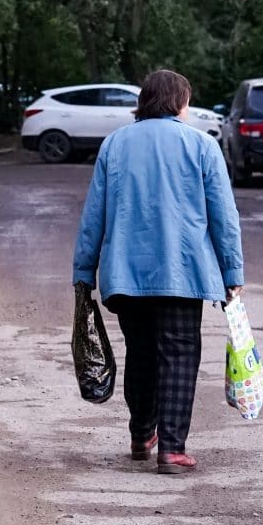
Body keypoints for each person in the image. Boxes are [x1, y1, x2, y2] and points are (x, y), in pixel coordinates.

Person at [71, 69, 244, 475]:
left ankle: (140, 433)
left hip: (124, 276)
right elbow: (223, 216)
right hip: (182, 274)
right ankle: (172, 448)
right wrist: (232, 270)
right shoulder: (201, 145)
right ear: (180, 103)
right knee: (179, 356)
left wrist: (84, 269)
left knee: (142, 353)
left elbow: (94, 213)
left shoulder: (114, 144)